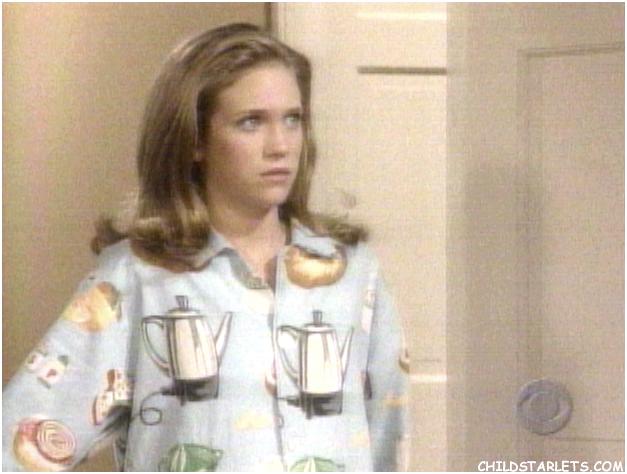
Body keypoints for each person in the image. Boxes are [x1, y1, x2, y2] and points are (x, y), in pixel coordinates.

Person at [2, 23, 410, 472]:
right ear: (195, 139)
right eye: (251, 122)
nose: (280, 146)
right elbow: (18, 443)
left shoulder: (352, 273)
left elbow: (387, 444)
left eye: (292, 119)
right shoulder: (138, 277)